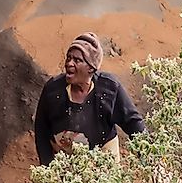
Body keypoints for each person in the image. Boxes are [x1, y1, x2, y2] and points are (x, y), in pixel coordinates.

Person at [33, 32, 146, 166]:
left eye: (77, 60)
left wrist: (150, 155)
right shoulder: (53, 90)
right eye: (68, 58)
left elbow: (133, 123)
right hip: (63, 154)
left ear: (91, 68)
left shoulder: (109, 89)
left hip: (102, 153)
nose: (69, 63)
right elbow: (41, 129)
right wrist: (47, 165)